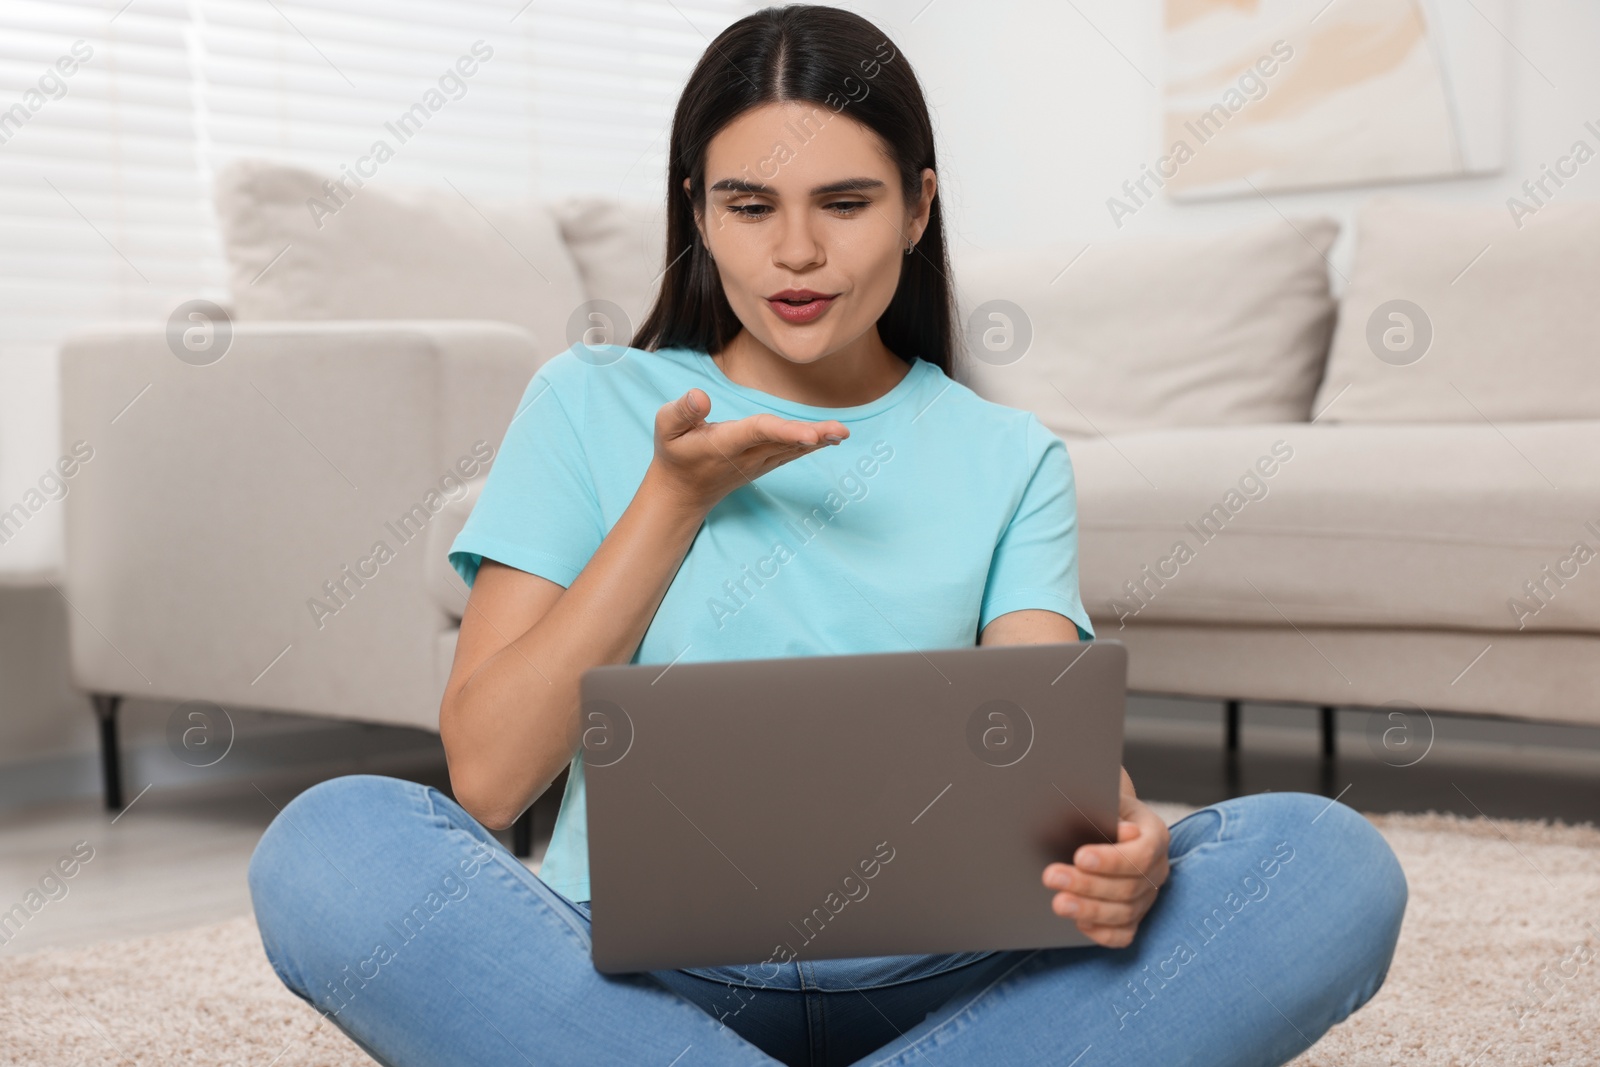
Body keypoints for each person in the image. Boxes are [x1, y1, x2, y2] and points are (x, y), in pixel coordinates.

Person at [248, 6, 1406, 1065]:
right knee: (334, 840)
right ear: (696, 211)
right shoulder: (586, 400)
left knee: (1325, 862)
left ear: (917, 205)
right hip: (637, 981)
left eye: (844, 204)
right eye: (749, 206)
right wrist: (672, 500)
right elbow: (491, 778)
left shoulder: (1007, 456)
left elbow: (1054, 757)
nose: (794, 253)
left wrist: (1128, 842)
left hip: (949, 977)